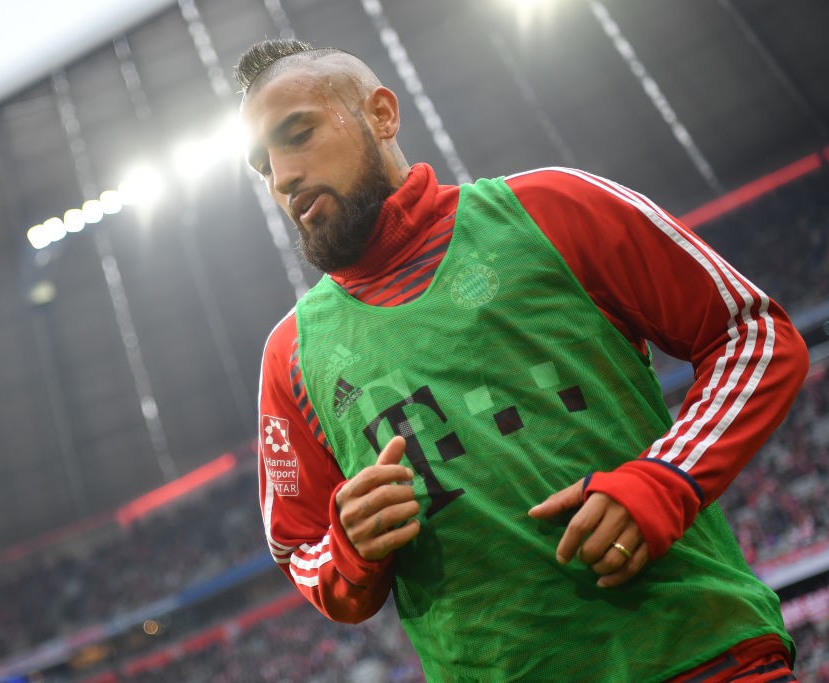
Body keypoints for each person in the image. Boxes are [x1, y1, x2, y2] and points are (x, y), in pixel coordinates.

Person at [237, 38, 809, 682]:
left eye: (298, 133)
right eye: (263, 165)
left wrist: (664, 480)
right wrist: (348, 547)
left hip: (700, 657)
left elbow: (752, 333)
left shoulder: (553, 209)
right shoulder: (290, 357)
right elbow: (298, 546)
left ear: (382, 114)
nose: (282, 177)